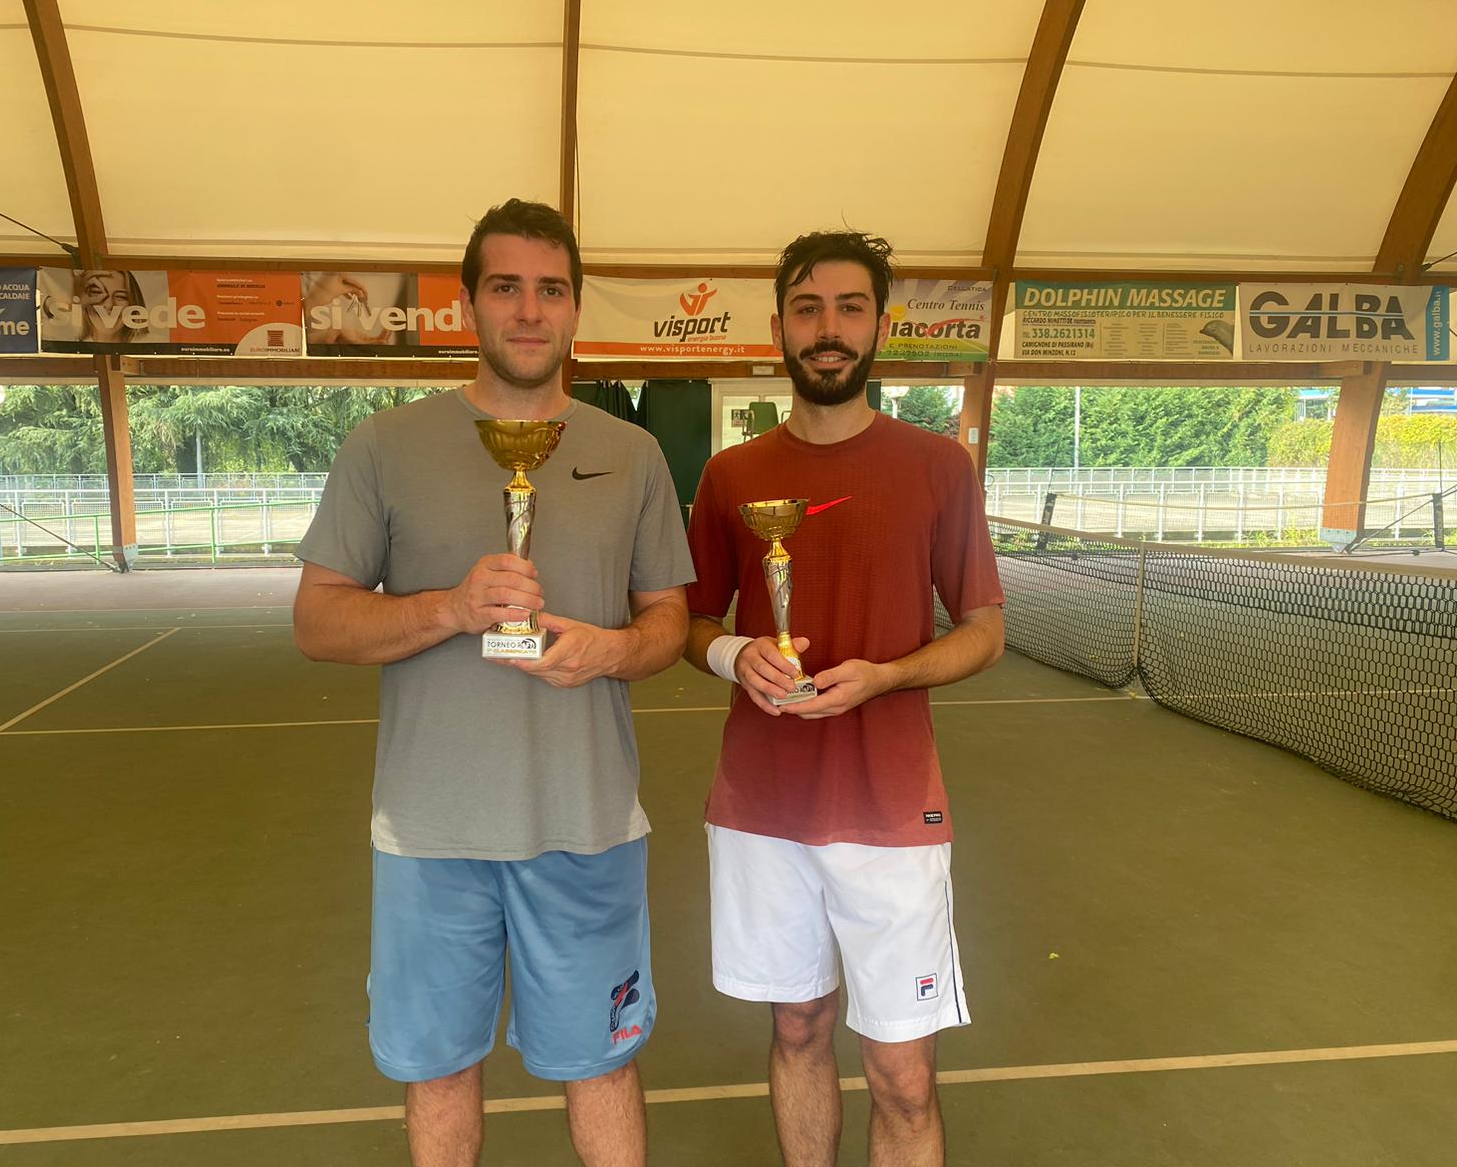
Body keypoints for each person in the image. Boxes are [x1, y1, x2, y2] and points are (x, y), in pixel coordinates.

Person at [293, 198, 693, 1167]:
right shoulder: (383, 445)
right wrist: (449, 608)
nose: (528, 310)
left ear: (575, 307)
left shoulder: (633, 454)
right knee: (438, 1073)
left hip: (588, 825)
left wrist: (609, 651)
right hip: (431, 834)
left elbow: (669, 624)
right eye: (506, 287)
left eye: (550, 290)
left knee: (603, 1067)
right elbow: (317, 621)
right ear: (467, 302)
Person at [683, 230, 1006, 1166]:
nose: (828, 329)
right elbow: (690, 623)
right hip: (763, 807)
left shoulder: (939, 466)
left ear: (880, 326)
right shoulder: (731, 476)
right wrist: (736, 655)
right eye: (808, 308)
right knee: (797, 1028)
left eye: (850, 308)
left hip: (892, 809)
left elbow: (984, 630)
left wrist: (890, 675)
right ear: (779, 328)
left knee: (903, 1075)